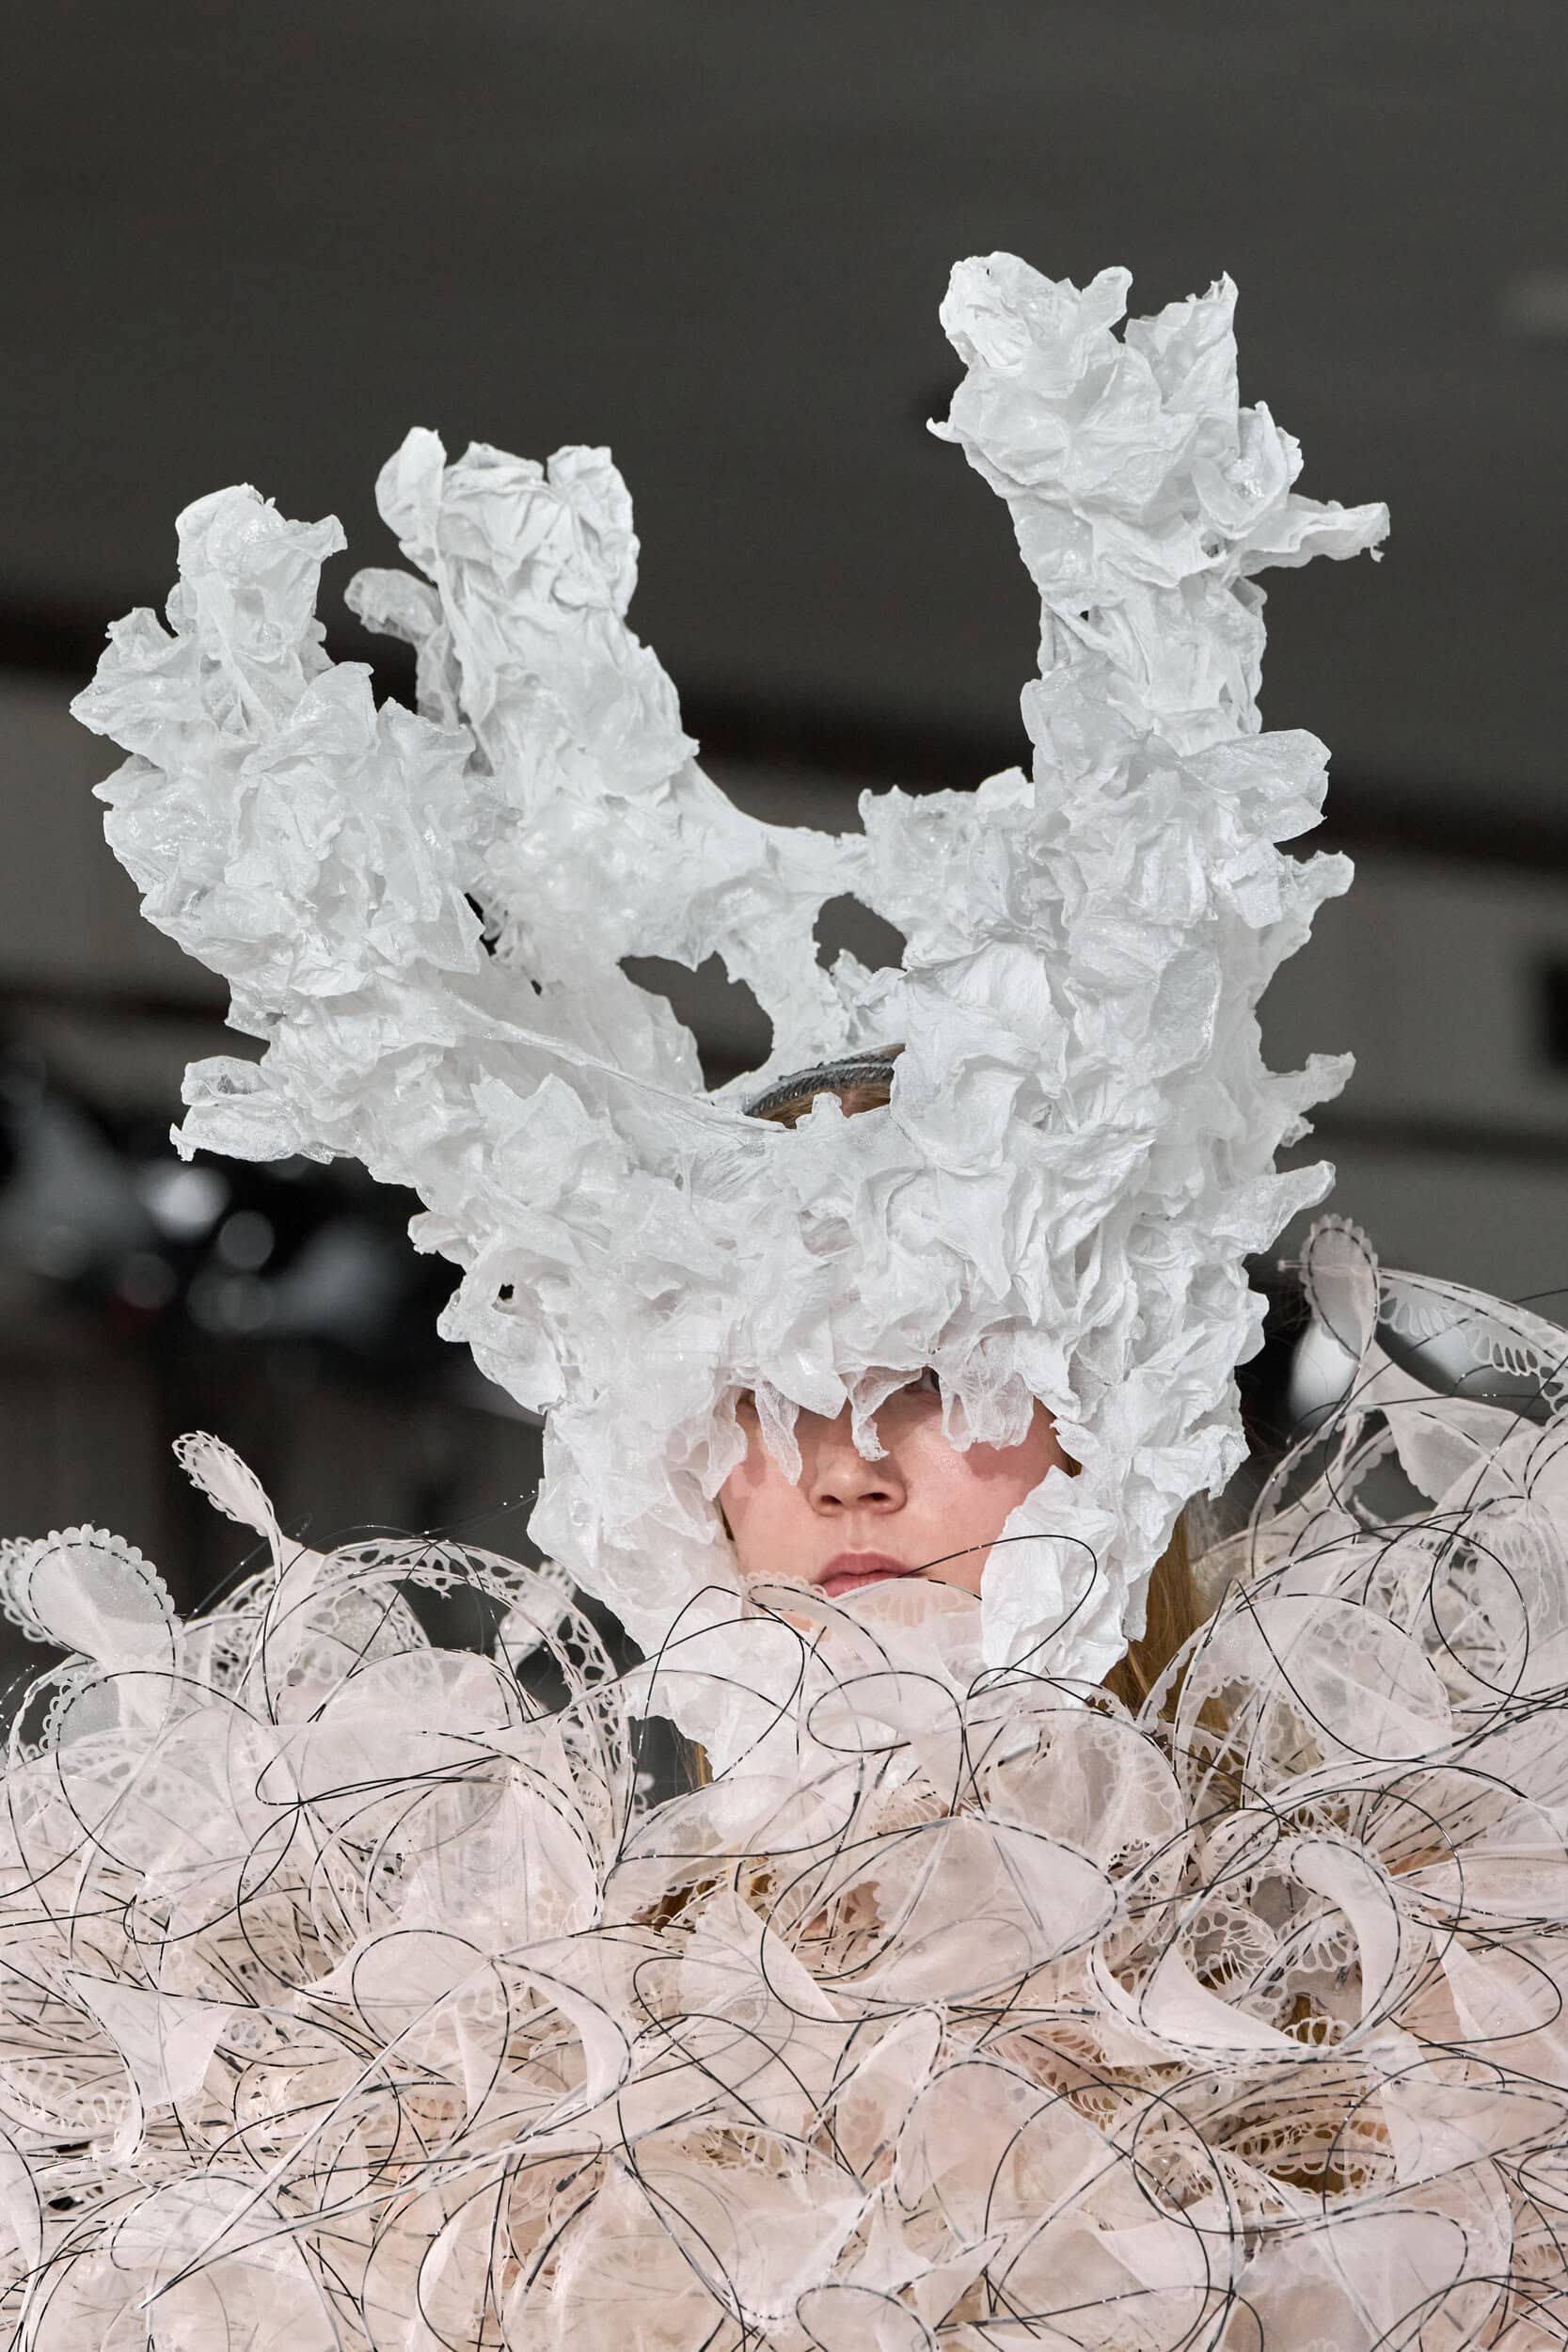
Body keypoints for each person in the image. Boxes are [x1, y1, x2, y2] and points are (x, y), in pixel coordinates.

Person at [4, 254, 1566, 2350]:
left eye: (936, 1376)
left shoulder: (1433, 1975)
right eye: (754, 1393)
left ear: (1114, 1407)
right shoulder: (496, 2036)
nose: (839, 1464)